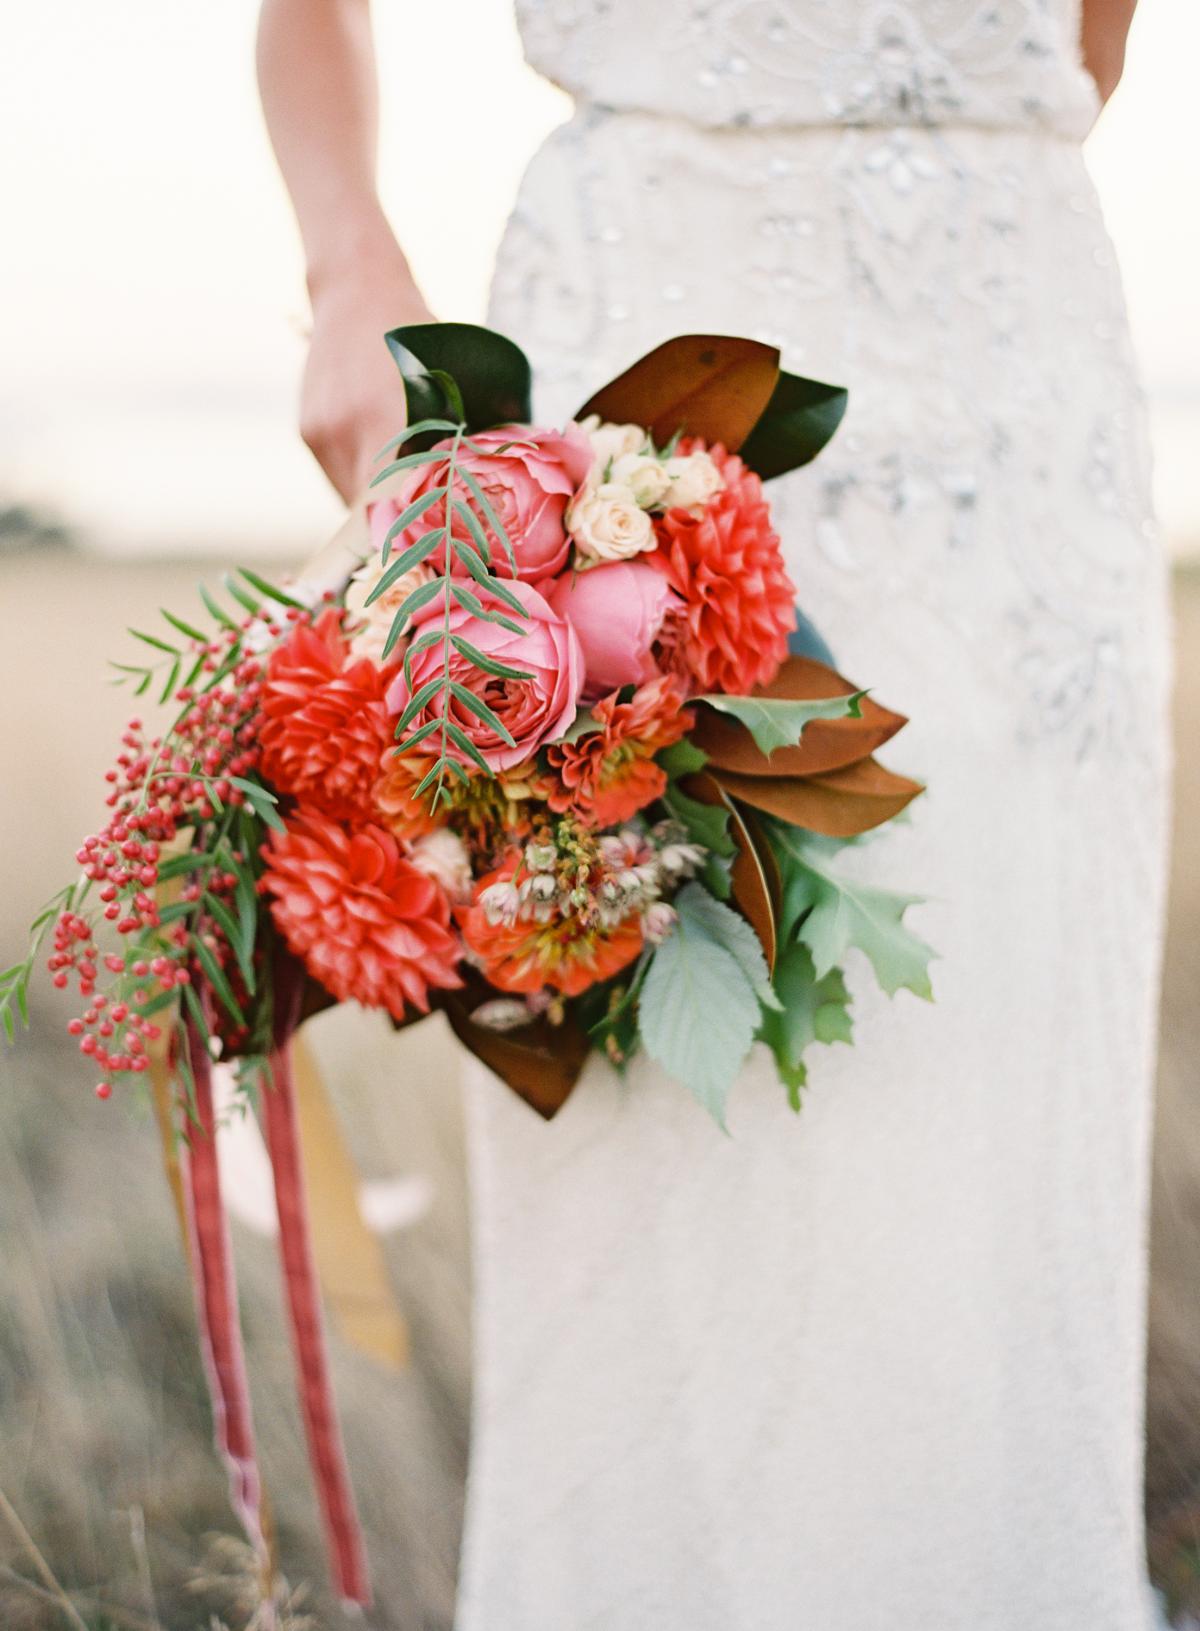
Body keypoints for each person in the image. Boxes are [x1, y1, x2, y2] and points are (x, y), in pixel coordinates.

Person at [257, 3, 1171, 1626]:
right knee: (662, 1156)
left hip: (1013, 394)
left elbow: (1088, 55)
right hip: (646, 339)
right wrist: (350, 277)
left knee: (1002, 1151)